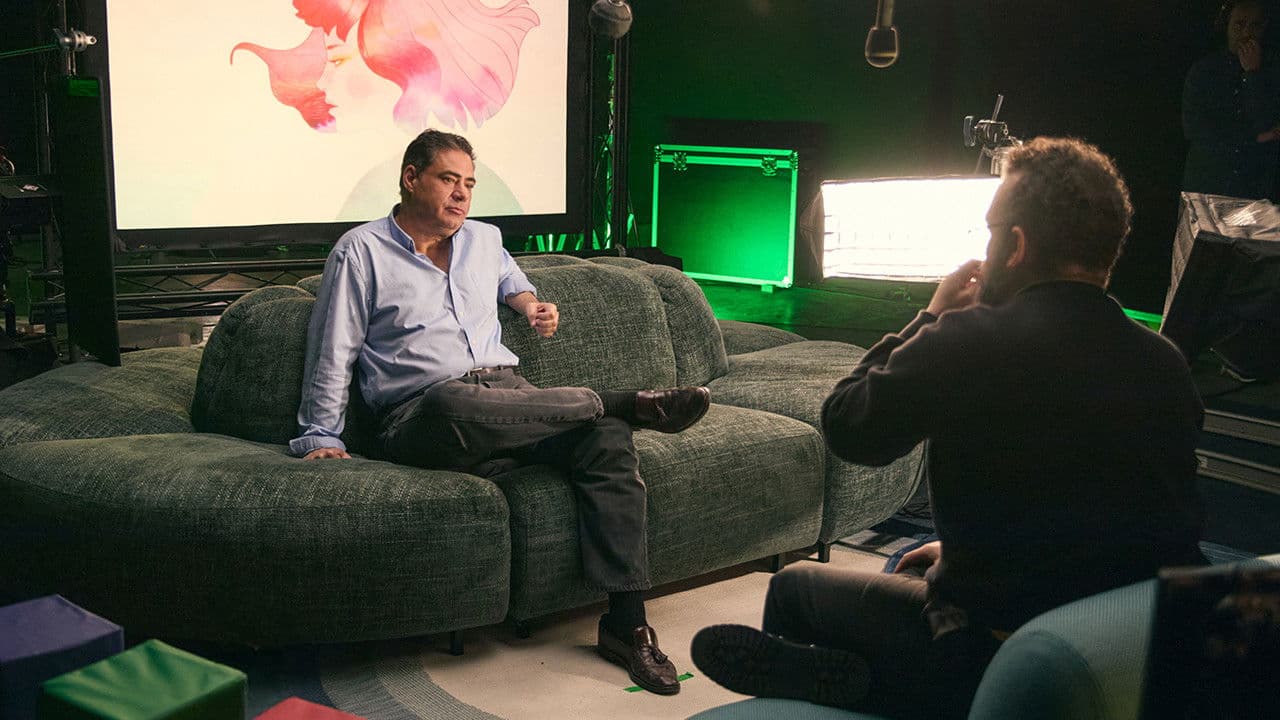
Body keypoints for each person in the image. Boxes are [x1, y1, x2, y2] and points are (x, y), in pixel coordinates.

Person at [691, 137, 1207, 719]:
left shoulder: (970, 339)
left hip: (995, 649)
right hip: (1129, 651)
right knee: (910, 569)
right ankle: (881, 685)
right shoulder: (1165, 362)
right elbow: (1120, 508)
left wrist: (932, 316)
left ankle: (891, 693)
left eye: (990, 231)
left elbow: (849, 425)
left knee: (795, 591)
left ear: (1015, 246)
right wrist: (962, 550)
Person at [292, 129, 711, 696]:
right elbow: (333, 346)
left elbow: (511, 278)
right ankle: (622, 400)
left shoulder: (484, 240)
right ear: (411, 178)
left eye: (469, 184)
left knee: (607, 438)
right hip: (423, 413)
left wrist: (531, 304)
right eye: (448, 180)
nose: (462, 195)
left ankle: (626, 622)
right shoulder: (360, 251)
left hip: (509, 397)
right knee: (456, 400)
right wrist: (322, 434)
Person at [1183, 0, 1280, 200]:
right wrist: (1254, 138)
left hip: (1255, 189)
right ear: (1226, 25)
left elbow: (1267, 123)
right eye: (1239, 24)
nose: (1247, 33)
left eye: (1255, 26)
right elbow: (1195, 128)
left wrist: (1252, 75)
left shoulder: (1272, 72)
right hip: (1208, 187)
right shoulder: (1205, 71)